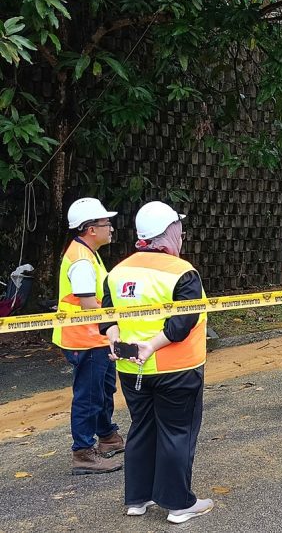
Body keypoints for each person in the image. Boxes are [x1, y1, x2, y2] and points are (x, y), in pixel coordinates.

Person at [101, 201, 213, 524]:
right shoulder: (182, 272)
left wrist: (114, 340)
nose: (182, 234)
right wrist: (152, 345)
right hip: (176, 369)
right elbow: (182, 323)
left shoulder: (117, 272)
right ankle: (179, 504)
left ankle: (138, 499)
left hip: (131, 367)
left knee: (142, 428)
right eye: (179, 229)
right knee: (177, 432)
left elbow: (107, 316)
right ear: (169, 233)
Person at [53, 197, 125, 475]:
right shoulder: (82, 260)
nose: (111, 228)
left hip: (95, 337)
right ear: (91, 229)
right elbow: (88, 305)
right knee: (89, 396)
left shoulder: (87, 253)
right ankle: (83, 452)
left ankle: (107, 435)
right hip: (84, 339)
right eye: (107, 223)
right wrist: (118, 314)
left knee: (104, 389)